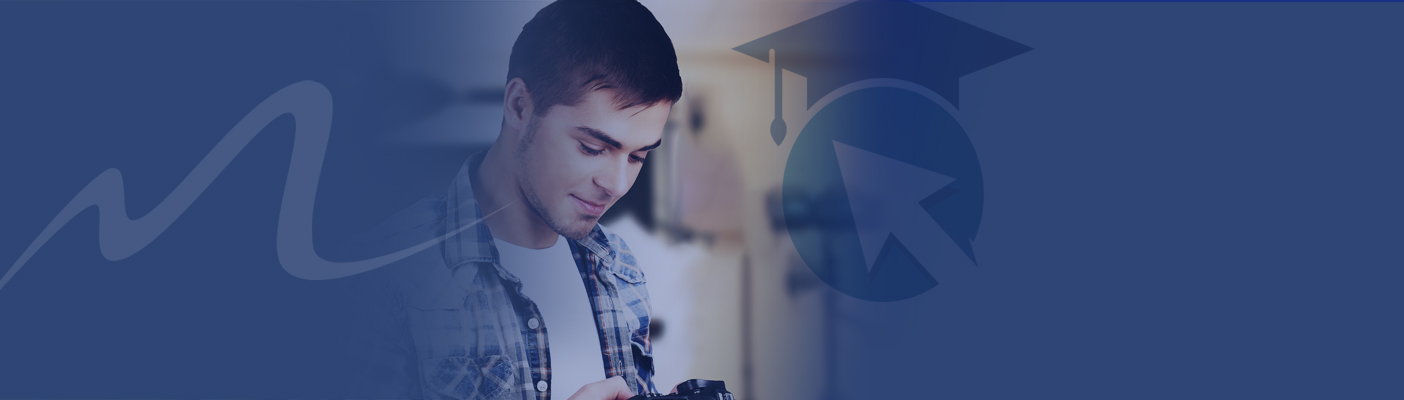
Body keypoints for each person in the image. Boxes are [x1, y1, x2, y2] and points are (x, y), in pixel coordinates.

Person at [353, 1, 682, 399]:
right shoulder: (385, 274)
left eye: (637, 156)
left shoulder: (620, 267)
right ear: (519, 106)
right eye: (592, 148)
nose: (617, 184)